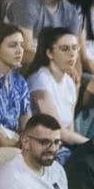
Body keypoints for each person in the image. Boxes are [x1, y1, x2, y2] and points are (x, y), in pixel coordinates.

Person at [26, 27, 88, 161]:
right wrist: (91, 144)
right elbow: (58, 130)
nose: (72, 54)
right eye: (65, 49)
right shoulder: (40, 80)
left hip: (62, 146)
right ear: (49, 53)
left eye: (75, 48)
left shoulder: (70, 82)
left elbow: (70, 128)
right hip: (45, 146)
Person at [0, 24, 31, 148]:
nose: (20, 51)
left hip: (19, 143)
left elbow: (28, 124)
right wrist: (25, 148)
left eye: (22, 45)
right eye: (13, 45)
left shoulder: (19, 81)